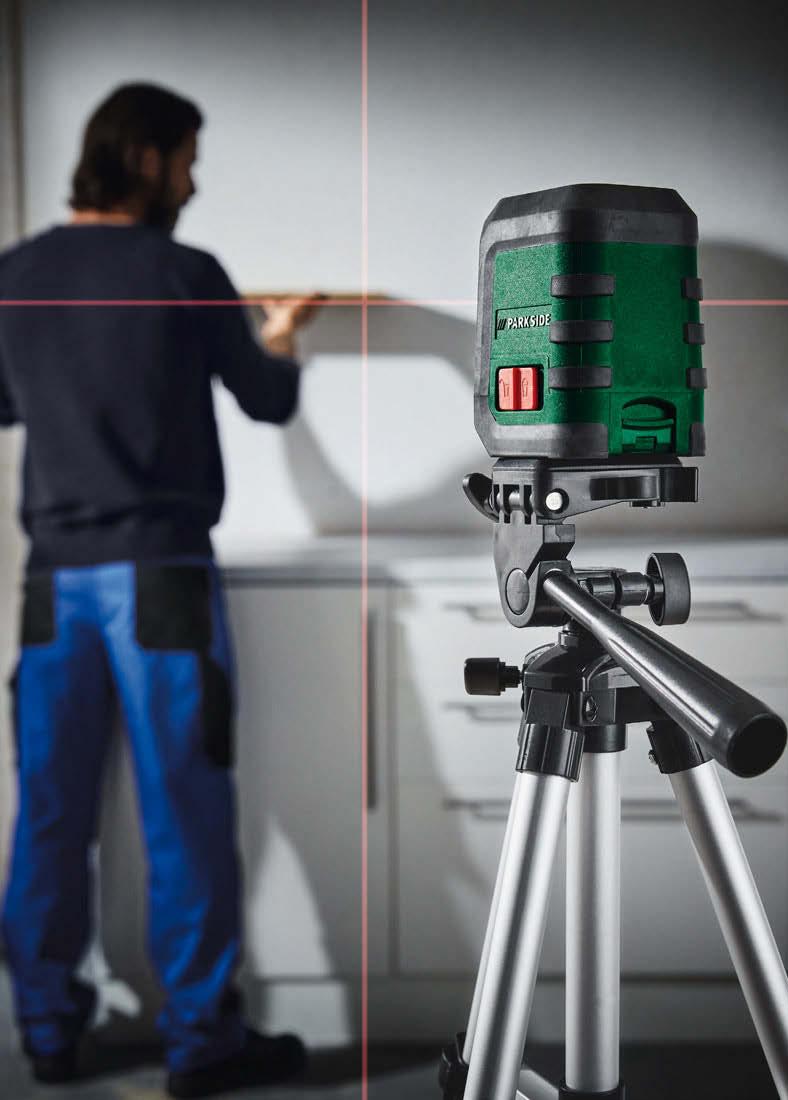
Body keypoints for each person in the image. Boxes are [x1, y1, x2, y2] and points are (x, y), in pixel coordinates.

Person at [0, 82, 318, 1098]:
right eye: (187, 160)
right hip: (161, 580)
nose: (193, 181)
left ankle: (47, 1031)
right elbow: (267, 400)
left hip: (52, 585)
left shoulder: (15, 276)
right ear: (146, 158)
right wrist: (280, 335)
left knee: (50, 813)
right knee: (184, 807)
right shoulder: (185, 273)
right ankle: (201, 1042)